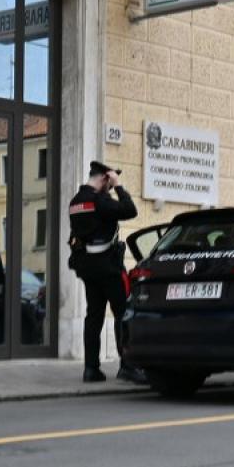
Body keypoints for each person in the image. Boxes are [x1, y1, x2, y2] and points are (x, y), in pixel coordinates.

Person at [68, 160, 147, 385]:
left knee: (94, 315)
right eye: (109, 184)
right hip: (108, 267)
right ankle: (128, 366)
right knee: (123, 312)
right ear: (104, 179)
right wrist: (119, 186)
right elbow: (130, 210)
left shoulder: (76, 201)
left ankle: (91, 369)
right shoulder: (100, 200)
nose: (111, 188)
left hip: (87, 266)